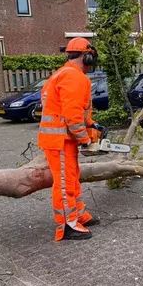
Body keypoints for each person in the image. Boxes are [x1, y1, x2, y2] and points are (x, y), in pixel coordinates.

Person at [37, 38, 104, 241]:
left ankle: (78, 214)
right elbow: (72, 114)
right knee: (65, 182)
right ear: (87, 56)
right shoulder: (74, 77)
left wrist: (91, 124)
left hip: (62, 139)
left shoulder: (61, 74)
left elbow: (75, 111)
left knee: (72, 178)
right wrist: (84, 138)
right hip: (61, 141)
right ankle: (67, 225)